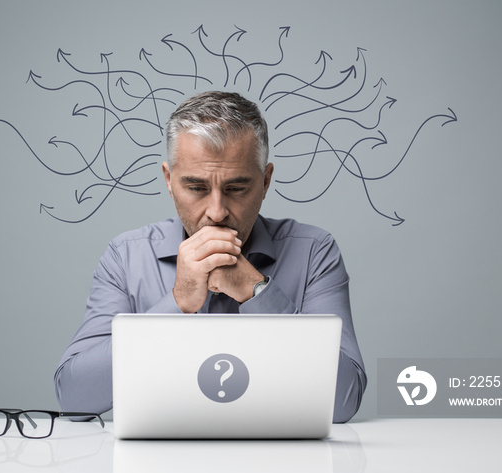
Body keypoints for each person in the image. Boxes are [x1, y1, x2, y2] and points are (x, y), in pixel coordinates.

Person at [55, 91, 367, 422]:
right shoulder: (126, 256)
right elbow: (75, 398)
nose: (216, 213)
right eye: (197, 188)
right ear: (169, 180)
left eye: (236, 189)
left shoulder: (314, 251)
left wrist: (255, 291)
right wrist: (177, 303)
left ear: (265, 181)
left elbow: (342, 403)